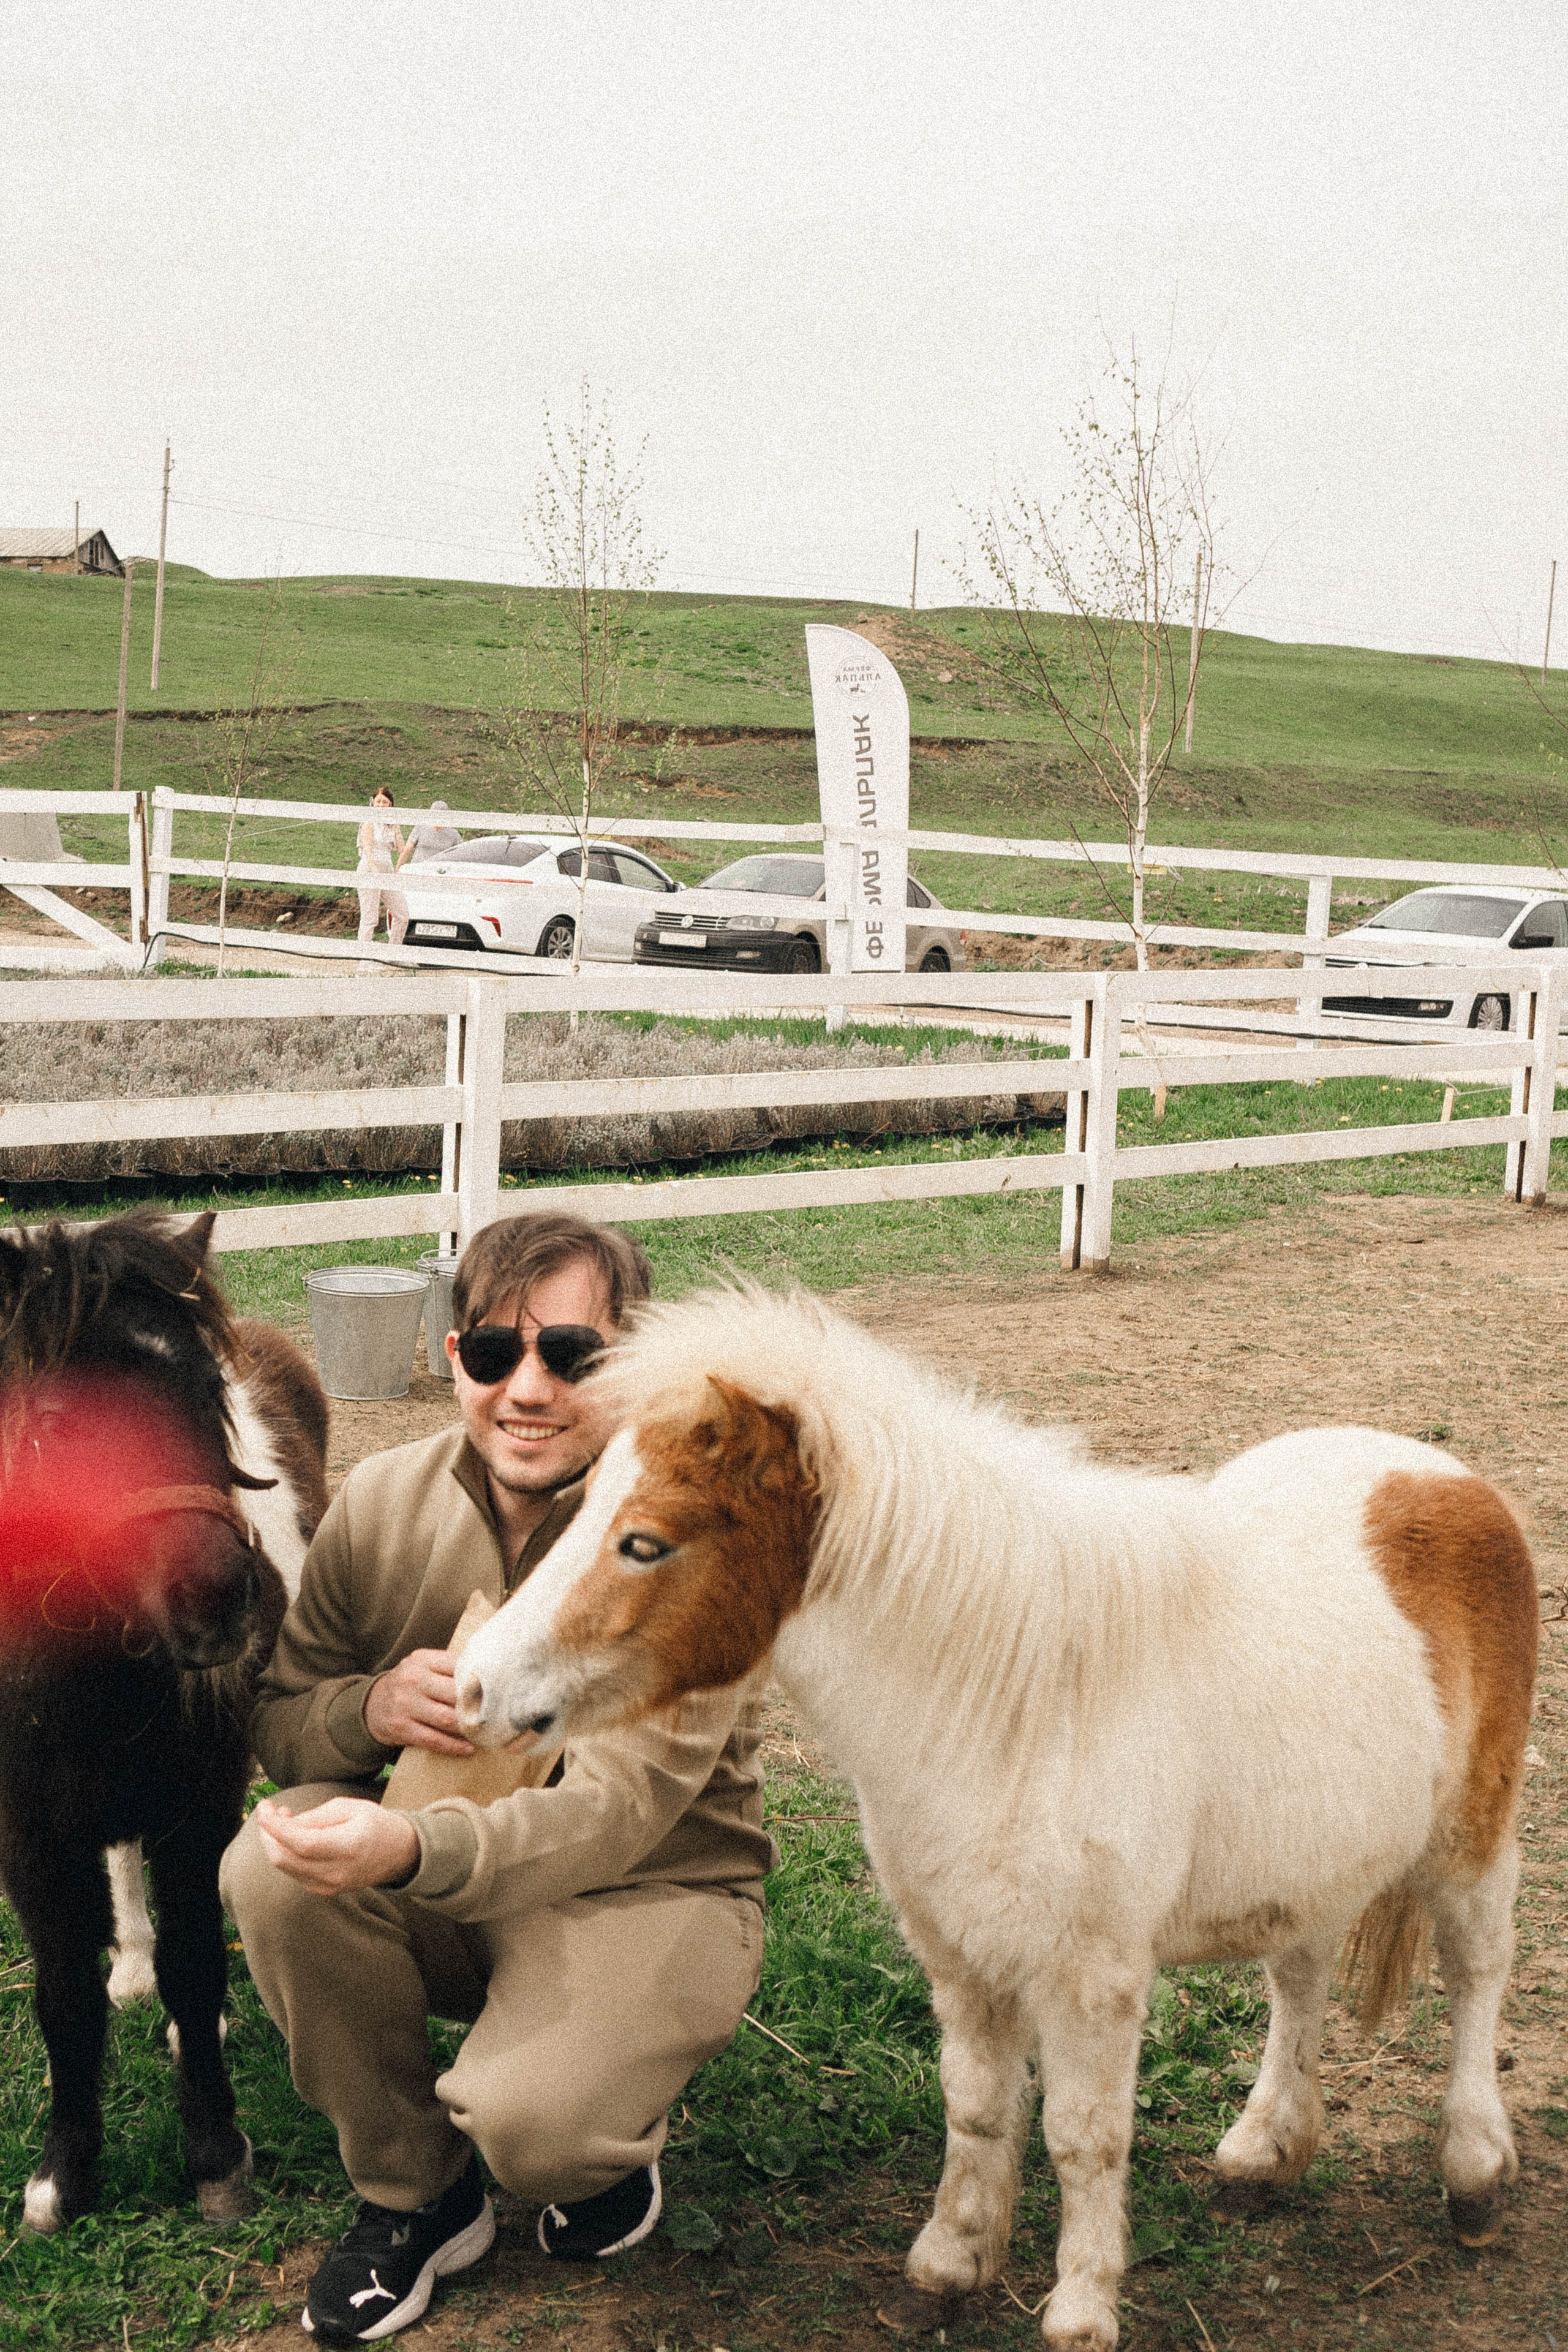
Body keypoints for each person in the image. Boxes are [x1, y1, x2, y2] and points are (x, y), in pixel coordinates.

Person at [221, 1212, 772, 2346]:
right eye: (492, 1352)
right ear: (452, 1354)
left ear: (638, 1360)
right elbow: (279, 1721)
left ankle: (591, 2147)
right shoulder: (380, 1501)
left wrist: (411, 1851)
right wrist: (364, 1708)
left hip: (649, 1888)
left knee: (539, 2129)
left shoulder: (697, 1538)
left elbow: (618, 1810)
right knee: (269, 1865)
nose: (528, 1389)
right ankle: (417, 2192)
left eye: (574, 1356)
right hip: (445, 1857)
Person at [355, 786, 408, 962]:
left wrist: (397, 827)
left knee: (402, 914)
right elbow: (368, 849)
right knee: (370, 917)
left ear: (390, 805)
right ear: (373, 803)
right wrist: (373, 870)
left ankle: (393, 954)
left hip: (387, 869)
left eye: (385, 802)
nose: (381, 805)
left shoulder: (391, 824)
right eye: (378, 801)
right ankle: (365, 960)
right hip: (370, 869)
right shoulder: (369, 822)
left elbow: (402, 849)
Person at [397, 799, 461, 867]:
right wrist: (398, 869)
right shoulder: (421, 827)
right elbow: (407, 849)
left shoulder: (453, 834)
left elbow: (461, 854)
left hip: (438, 871)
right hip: (418, 868)